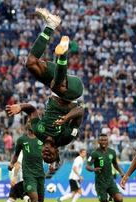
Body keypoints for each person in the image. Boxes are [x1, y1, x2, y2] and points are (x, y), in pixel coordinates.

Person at [5, 8, 85, 163]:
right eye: (50, 155)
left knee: (31, 64)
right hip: (73, 91)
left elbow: (32, 110)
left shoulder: (38, 132)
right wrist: (66, 118)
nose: (46, 153)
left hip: (57, 82)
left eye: (44, 155)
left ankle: (50, 25)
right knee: (57, 86)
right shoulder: (66, 138)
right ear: (56, 152)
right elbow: (81, 110)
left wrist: (20, 107)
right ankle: (63, 55)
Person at [8, 123, 48, 202]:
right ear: (27, 127)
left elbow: (50, 153)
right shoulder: (22, 140)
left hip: (40, 175)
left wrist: (52, 164)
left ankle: (29, 201)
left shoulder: (43, 139)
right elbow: (16, 155)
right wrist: (11, 164)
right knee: (35, 201)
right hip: (28, 175)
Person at [86, 134, 124, 202]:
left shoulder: (112, 152)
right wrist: (94, 169)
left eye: (105, 140)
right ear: (98, 142)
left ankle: (111, 198)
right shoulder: (95, 153)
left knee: (120, 200)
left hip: (110, 181)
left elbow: (115, 164)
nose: (103, 142)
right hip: (100, 183)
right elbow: (87, 166)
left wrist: (121, 173)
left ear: (108, 141)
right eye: (101, 140)